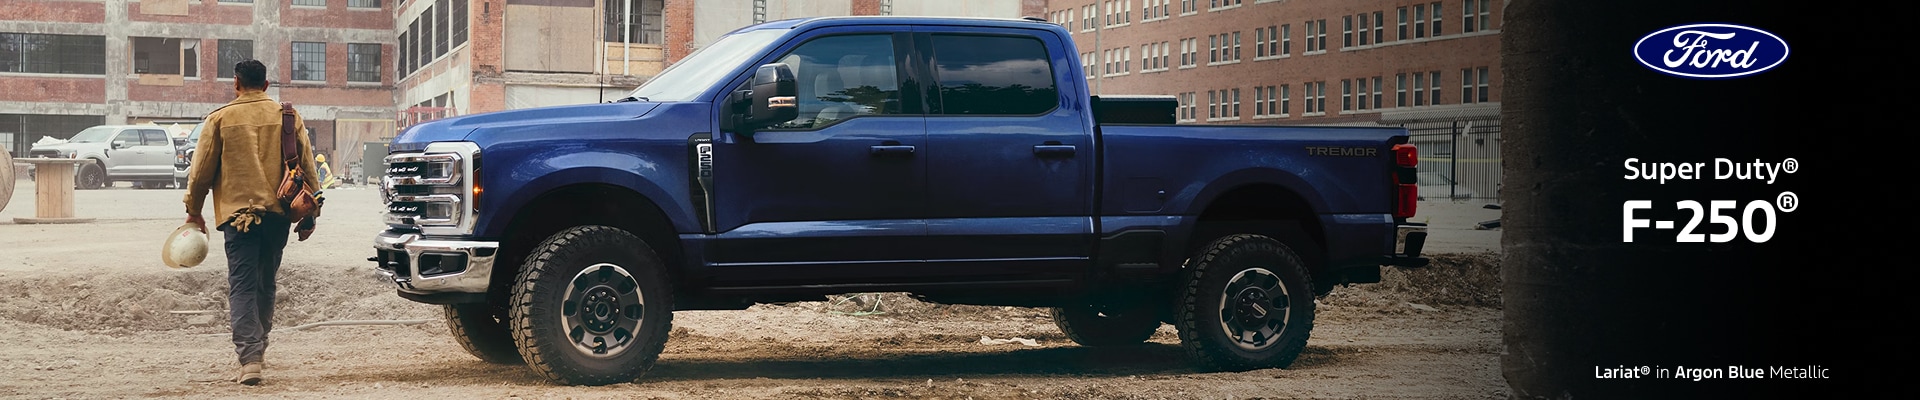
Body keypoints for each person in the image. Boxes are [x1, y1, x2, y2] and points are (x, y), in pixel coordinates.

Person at [182, 59, 321, 386]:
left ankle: (250, 358)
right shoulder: (288, 116)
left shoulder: (220, 119)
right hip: (277, 216)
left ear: (236, 84)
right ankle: (259, 347)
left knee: (242, 284)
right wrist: (312, 214)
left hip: (238, 218)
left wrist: (194, 210)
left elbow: (200, 173)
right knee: (265, 282)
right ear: (267, 85)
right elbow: (308, 169)